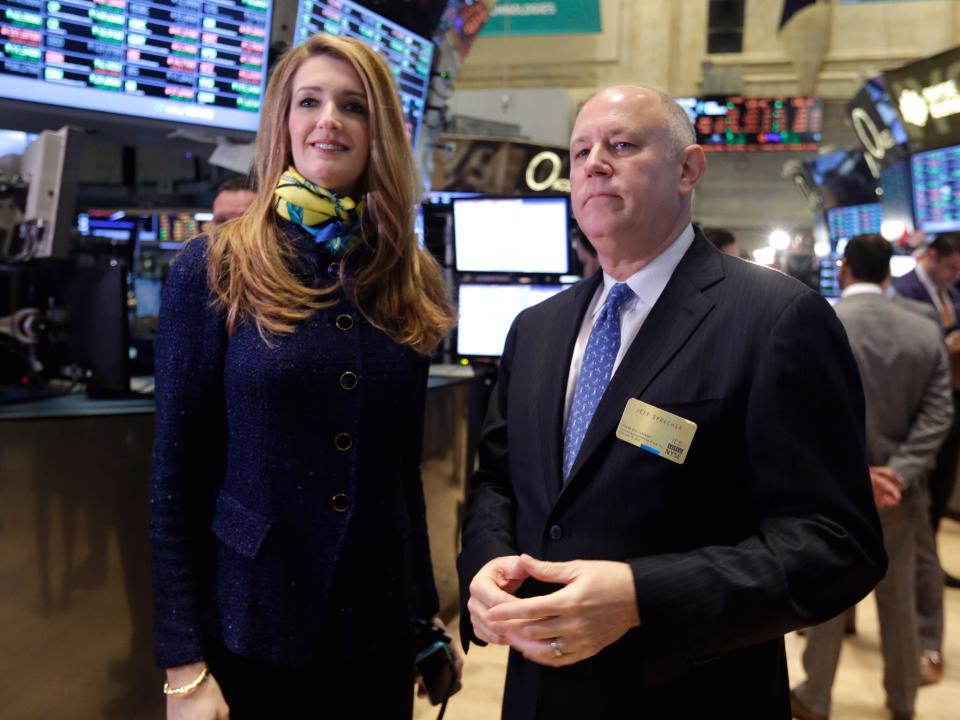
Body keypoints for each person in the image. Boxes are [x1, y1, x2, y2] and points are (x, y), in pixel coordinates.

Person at [457, 85, 886, 719]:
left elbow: (835, 545)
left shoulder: (776, 319)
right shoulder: (536, 328)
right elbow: (498, 480)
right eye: (579, 152)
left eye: (622, 145)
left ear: (689, 169)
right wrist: (487, 566)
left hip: (693, 695)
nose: (594, 163)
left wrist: (641, 596)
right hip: (539, 695)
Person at [150, 34, 456, 720]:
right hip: (253, 622)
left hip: (375, 629)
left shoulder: (408, 274)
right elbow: (175, 478)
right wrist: (182, 664)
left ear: (379, 130)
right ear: (282, 123)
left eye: (353, 106)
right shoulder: (214, 265)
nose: (329, 120)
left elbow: (400, 473)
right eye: (309, 101)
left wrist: (424, 617)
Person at [791, 233, 952, 720]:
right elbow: (938, 413)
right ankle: (902, 699)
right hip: (902, 495)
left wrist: (853, 473)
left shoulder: (817, 323)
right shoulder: (924, 329)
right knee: (900, 599)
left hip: (832, 494)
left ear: (845, 268)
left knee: (827, 591)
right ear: (888, 272)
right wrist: (897, 474)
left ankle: (815, 695)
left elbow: (801, 412)